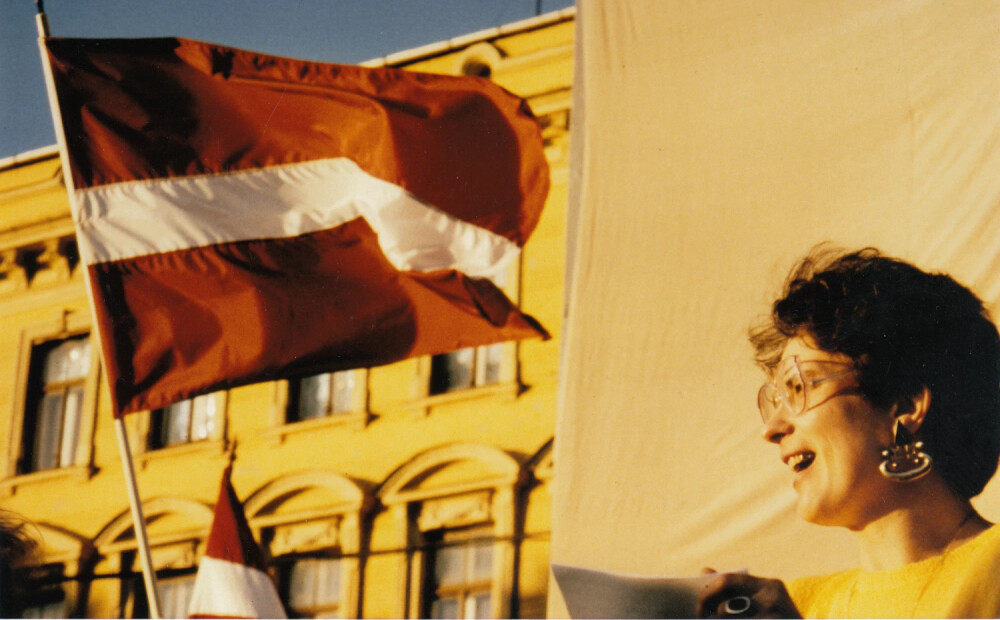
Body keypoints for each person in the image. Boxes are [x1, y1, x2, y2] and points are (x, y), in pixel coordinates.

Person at [697, 246, 1000, 618]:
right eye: (774, 401)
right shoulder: (798, 604)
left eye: (798, 388)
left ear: (904, 407)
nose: (771, 429)